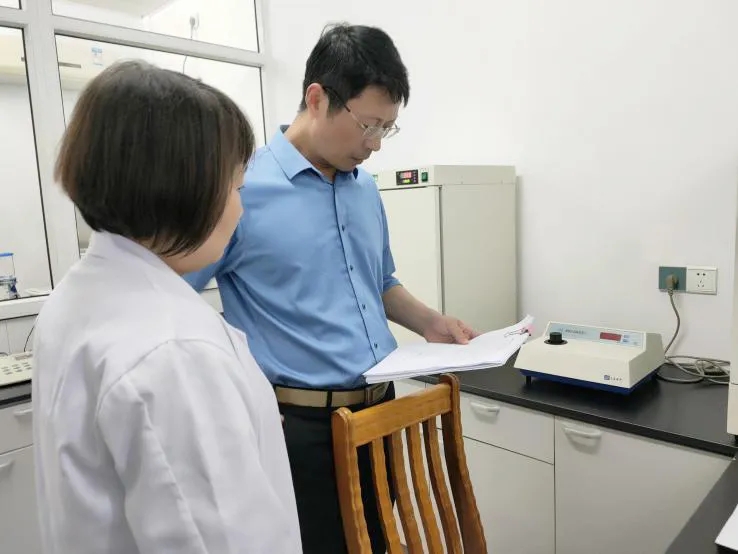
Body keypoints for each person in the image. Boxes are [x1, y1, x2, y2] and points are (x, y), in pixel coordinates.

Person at [185, 23, 477, 554]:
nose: (374, 144)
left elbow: (379, 281)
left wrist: (432, 323)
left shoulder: (364, 189)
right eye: (367, 124)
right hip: (300, 428)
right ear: (317, 98)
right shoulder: (242, 188)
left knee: (378, 544)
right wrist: (229, 391)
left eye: (387, 128)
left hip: (382, 411)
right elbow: (177, 302)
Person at [32, 60, 302, 554]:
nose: (241, 209)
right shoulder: (175, 350)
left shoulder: (79, 295)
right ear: (185, 189)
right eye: (236, 187)